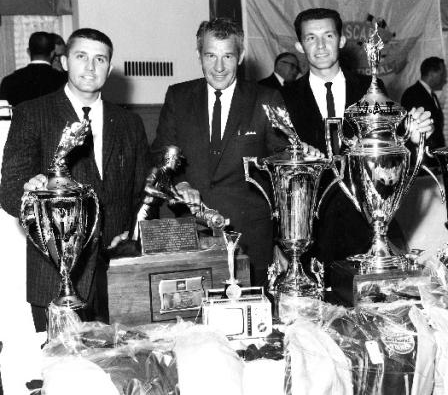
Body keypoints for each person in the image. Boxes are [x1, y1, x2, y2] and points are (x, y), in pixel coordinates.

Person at [0, 28, 150, 331]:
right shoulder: (32, 113)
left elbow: (142, 193)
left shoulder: (129, 123)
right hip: (54, 274)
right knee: (61, 372)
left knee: (120, 368)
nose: (91, 67)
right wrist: (33, 195)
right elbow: (10, 190)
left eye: (100, 59)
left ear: (109, 67)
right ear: (65, 61)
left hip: (116, 272)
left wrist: (134, 237)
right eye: (82, 57)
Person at [151, 18, 320, 287]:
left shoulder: (267, 99)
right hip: (191, 231)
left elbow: (283, 162)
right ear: (199, 55)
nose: (219, 67)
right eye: (210, 56)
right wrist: (180, 183)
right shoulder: (178, 96)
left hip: (250, 236)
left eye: (227, 56)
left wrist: (299, 155)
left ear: (240, 56)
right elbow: (161, 152)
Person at [281, 8, 433, 269]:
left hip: (366, 224)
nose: (320, 46)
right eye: (310, 38)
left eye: (328, 36)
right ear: (299, 45)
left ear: (341, 41)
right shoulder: (284, 97)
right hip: (310, 230)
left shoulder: (370, 89)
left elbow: (387, 150)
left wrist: (414, 136)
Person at [0, 31, 67, 106]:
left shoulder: (9, 81)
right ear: (52, 54)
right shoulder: (64, 80)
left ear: (28, 52)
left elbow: (4, 114)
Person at [401, 57, 447, 160]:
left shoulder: (431, 95)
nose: (443, 78)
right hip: (421, 157)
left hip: (432, 156)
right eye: (441, 74)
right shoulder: (412, 93)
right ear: (431, 73)